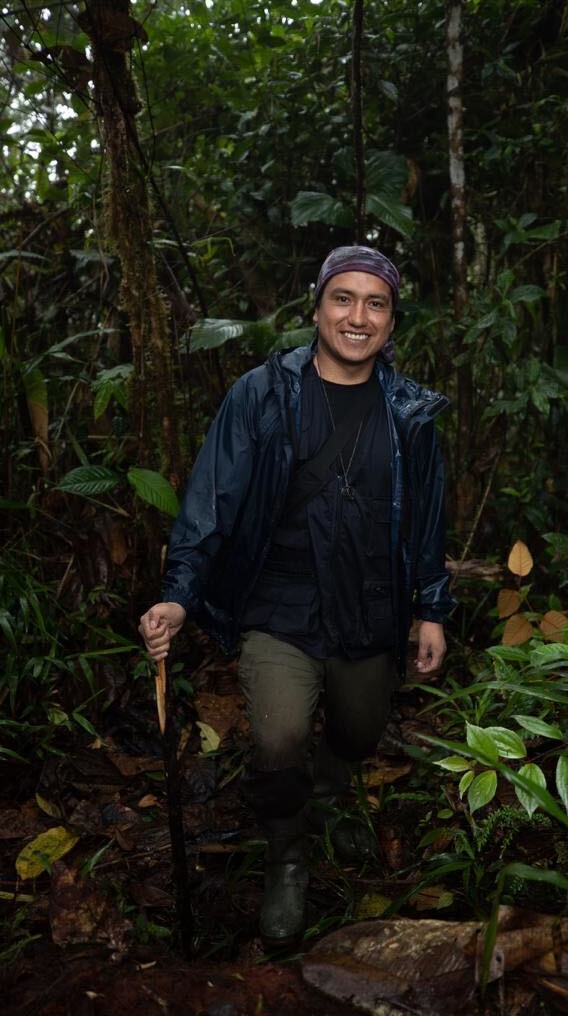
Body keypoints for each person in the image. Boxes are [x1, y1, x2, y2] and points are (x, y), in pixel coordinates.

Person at [139, 245, 454, 947]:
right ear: (315, 309)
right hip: (279, 603)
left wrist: (430, 606)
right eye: (342, 299)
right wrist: (179, 596)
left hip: (371, 606)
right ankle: (287, 855)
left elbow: (429, 517)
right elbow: (210, 499)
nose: (356, 316)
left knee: (358, 730)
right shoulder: (260, 393)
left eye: (375, 304)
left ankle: (328, 796)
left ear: (391, 323)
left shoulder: (411, 414)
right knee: (279, 739)